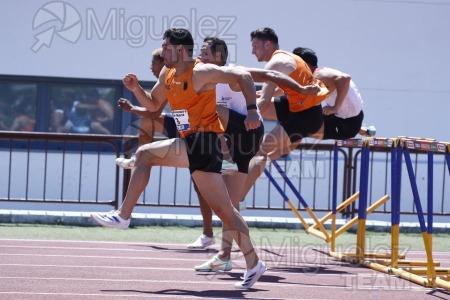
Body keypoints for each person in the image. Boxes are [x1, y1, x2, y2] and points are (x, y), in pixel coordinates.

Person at [91, 28, 266, 289]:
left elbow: (243, 76)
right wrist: (136, 88)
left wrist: (252, 110)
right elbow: (153, 105)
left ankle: (124, 215)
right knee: (226, 210)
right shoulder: (167, 74)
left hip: (204, 141)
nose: (162, 52)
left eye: (165, 47)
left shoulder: (200, 72)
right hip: (193, 143)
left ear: (180, 49)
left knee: (144, 154)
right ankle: (254, 263)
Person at [238, 27, 330, 205]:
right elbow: (282, 90)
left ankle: (238, 197)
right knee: (257, 115)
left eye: (255, 46)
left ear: (268, 44)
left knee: (260, 150)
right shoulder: (287, 57)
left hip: (305, 116)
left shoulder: (274, 64)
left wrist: (240, 124)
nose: (252, 51)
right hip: (299, 110)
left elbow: (263, 103)